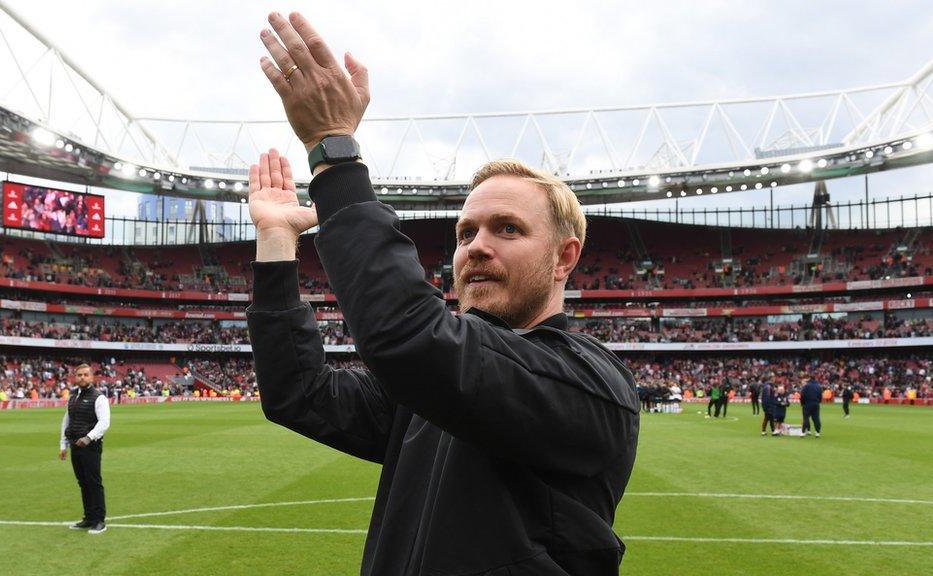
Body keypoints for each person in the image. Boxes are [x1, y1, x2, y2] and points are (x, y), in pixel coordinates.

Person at [246, 12, 640, 575]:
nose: (476, 247)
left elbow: (408, 335)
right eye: (465, 233)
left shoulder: (588, 386)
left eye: (508, 228)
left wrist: (333, 155)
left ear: (564, 258)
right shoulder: (428, 394)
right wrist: (278, 241)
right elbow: (299, 393)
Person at [59, 363, 110, 534]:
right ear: (75, 377)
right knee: (83, 483)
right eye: (79, 375)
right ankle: (88, 517)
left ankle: (99, 520)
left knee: (94, 483)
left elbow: (104, 423)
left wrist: (88, 438)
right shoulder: (73, 397)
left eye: (85, 374)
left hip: (91, 446)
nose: (82, 377)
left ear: (92, 377)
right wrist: (63, 444)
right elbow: (67, 421)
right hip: (75, 445)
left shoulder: (99, 398)